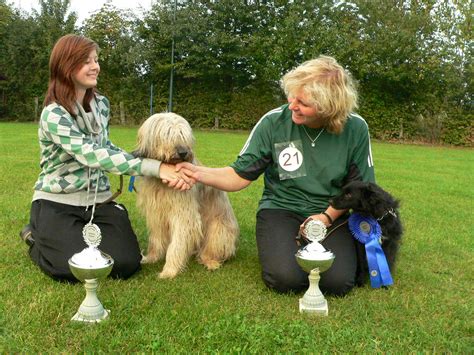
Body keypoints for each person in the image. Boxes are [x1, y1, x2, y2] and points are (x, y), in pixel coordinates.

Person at [176, 56, 375, 296]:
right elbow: (238, 176)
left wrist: (326, 217)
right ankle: (288, 241)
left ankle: (313, 242)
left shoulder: (356, 128)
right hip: (281, 208)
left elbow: (360, 187)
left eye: (303, 102)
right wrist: (196, 172)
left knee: (338, 284)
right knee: (284, 279)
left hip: (331, 214)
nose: (292, 105)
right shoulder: (273, 122)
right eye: (292, 96)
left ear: (328, 108)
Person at [20, 34, 193, 282]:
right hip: (58, 202)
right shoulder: (53, 114)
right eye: (86, 61)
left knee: (126, 263)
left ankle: (69, 236)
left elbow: (106, 147)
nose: (95, 67)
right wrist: (155, 168)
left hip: (98, 201)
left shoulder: (101, 105)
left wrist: (152, 160)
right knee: (66, 267)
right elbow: (90, 154)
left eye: (96, 60)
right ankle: (34, 237)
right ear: (65, 66)